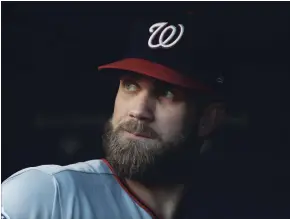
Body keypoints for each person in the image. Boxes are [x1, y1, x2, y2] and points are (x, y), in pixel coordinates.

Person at [2, 13, 226, 219]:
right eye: (130, 85)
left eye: (167, 93)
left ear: (208, 119)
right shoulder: (45, 195)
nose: (138, 111)